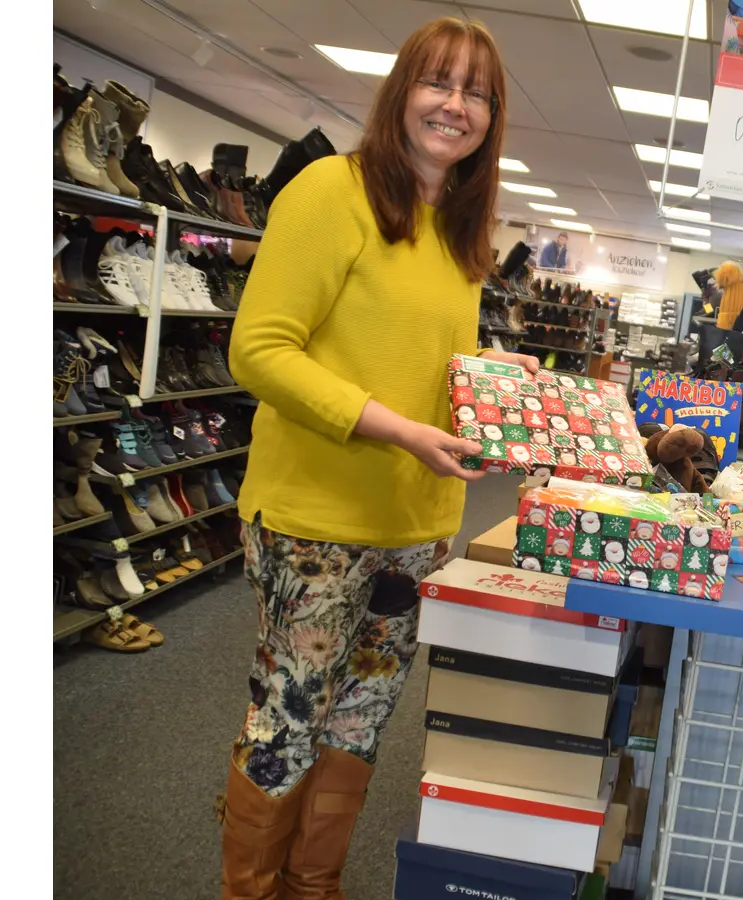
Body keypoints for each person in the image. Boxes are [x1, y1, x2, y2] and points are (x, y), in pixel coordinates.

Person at [218, 17, 538, 899]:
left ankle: (312, 886)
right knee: (290, 717)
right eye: (440, 82)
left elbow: (422, 366)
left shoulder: (460, 232)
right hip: (317, 519)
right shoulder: (332, 190)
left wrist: (491, 380)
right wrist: (397, 430)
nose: (456, 105)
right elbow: (261, 349)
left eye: (477, 92)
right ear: (403, 90)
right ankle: (250, 889)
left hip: (416, 525)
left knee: (359, 723)